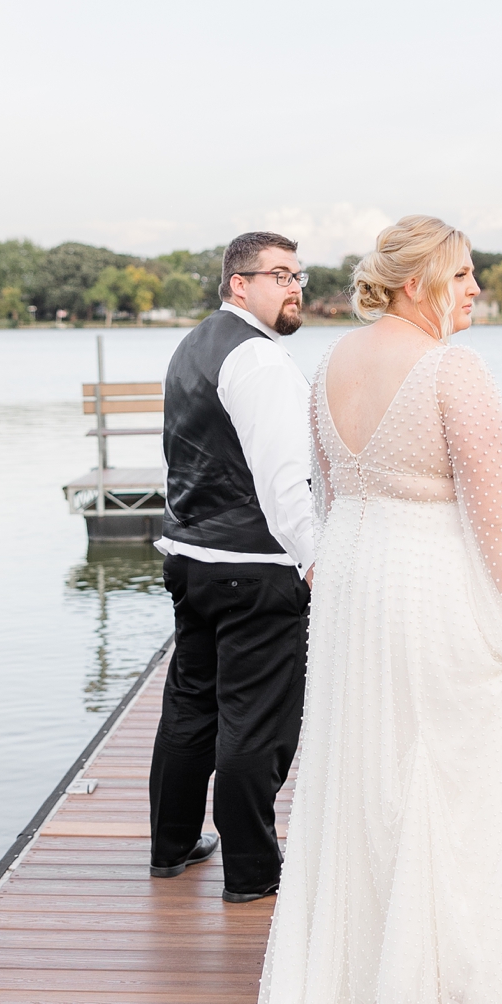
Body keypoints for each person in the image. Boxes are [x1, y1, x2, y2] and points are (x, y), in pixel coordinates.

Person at [220, 215, 502, 1004]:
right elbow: (496, 515)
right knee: (451, 780)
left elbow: (334, 492)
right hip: (429, 586)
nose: (475, 291)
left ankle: (376, 980)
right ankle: (439, 1000)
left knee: (366, 779)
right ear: (418, 283)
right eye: (463, 275)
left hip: (355, 584)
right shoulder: (452, 371)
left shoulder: (329, 364)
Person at [149, 231, 316, 904]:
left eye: (299, 275)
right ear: (239, 284)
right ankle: (252, 871)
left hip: (191, 559)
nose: (295, 287)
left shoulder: (193, 344)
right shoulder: (261, 361)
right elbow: (284, 481)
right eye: (279, 275)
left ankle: (172, 845)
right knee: (257, 722)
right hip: (253, 565)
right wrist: (314, 559)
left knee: (192, 707)